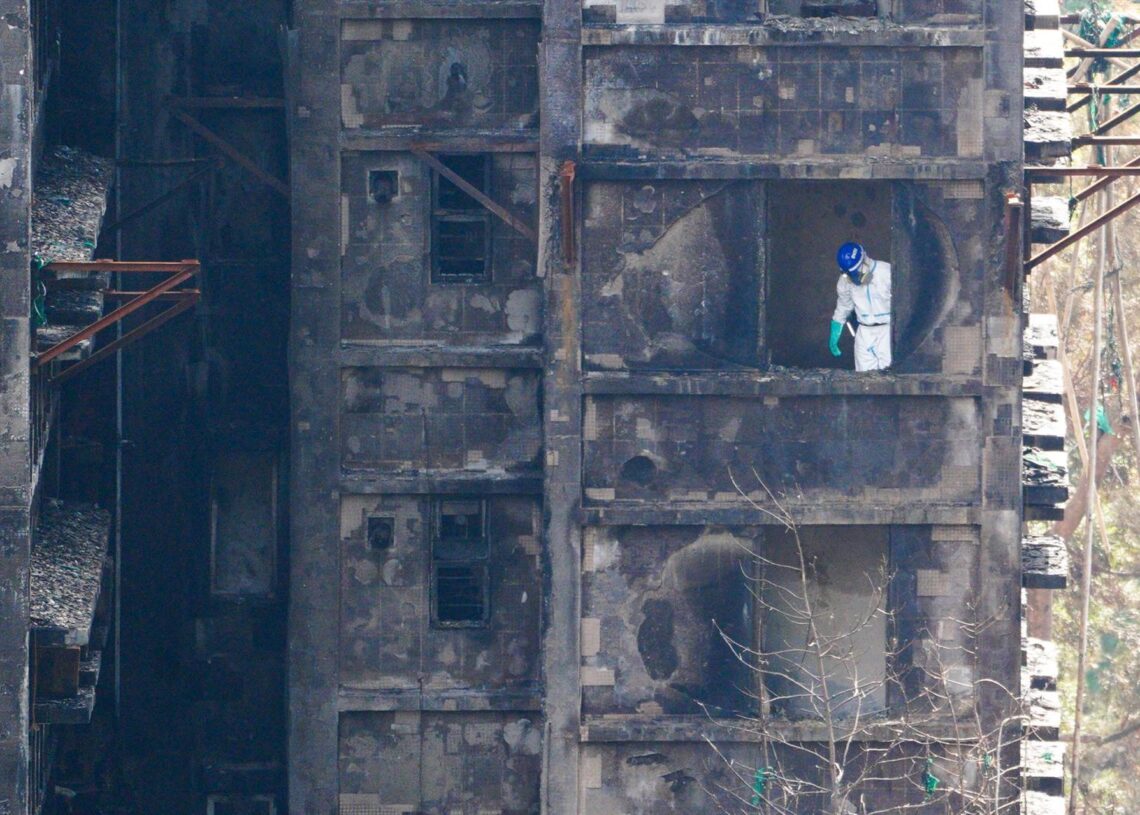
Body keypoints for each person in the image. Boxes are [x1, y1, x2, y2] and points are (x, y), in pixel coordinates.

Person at [829, 241, 891, 371]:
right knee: (864, 378)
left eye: (856, 272)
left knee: (890, 375)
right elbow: (844, 305)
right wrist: (836, 329)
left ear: (865, 260)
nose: (854, 278)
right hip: (864, 333)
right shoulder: (845, 281)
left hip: (888, 330)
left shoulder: (887, 272)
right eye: (850, 275)